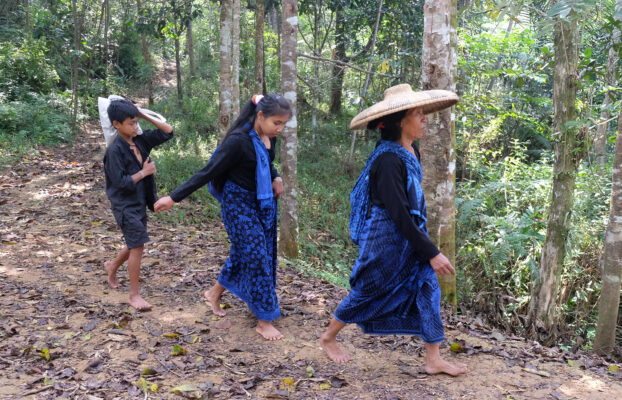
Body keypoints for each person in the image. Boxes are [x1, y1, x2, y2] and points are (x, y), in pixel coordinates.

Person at [319, 84, 467, 376]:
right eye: (418, 114)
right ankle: (328, 337)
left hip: (411, 236)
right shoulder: (387, 159)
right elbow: (398, 212)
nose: (424, 119)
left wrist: (424, 250)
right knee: (366, 291)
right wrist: (431, 252)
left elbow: (410, 208)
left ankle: (433, 358)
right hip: (385, 238)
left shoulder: (411, 151)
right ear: (402, 120)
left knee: (428, 288)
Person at [154, 94, 292, 341]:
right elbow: (208, 171)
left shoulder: (269, 136)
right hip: (238, 204)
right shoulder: (238, 141)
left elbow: (267, 163)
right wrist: (173, 198)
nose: (280, 129)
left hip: (263, 203)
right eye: (276, 123)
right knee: (258, 255)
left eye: (283, 124)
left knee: (246, 253)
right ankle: (264, 320)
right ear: (260, 116)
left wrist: (277, 177)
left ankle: (214, 293)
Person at [103, 99, 174, 310]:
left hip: (140, 200)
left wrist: (142, 115)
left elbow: (168, 132)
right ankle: (134, 295)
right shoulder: (114, 151)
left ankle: (112, 266)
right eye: (130, 123)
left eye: (136, 122)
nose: (136, 127)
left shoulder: (140, 141)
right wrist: (145, 172)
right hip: (124, 204)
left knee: (136, 240)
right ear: (116, 124)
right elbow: (121, 183)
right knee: (137, 245)